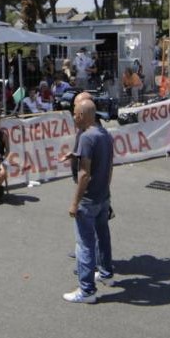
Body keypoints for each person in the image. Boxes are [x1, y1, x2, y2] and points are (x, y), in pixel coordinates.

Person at [63, 99, 115, 304]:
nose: (74, 118)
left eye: (75, 114)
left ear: (83, 116)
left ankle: (86, 290)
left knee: (84, 243)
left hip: (89, 199)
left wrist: (75, 203)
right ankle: (106, 272)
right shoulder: (105, 134)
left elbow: (84, 174)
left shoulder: (86, 137)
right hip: (103, 197)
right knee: (103, 235)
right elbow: (108, 166)